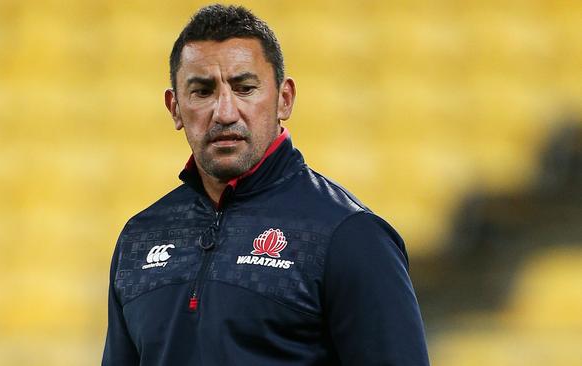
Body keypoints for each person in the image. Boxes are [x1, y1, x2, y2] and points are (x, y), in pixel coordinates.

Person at [102, 4, 430, 365]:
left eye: (245, 88)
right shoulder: (139, 238)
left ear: (284, 99)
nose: (225, 112)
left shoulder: (349, 236)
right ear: (175, 107)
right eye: (202, 91)